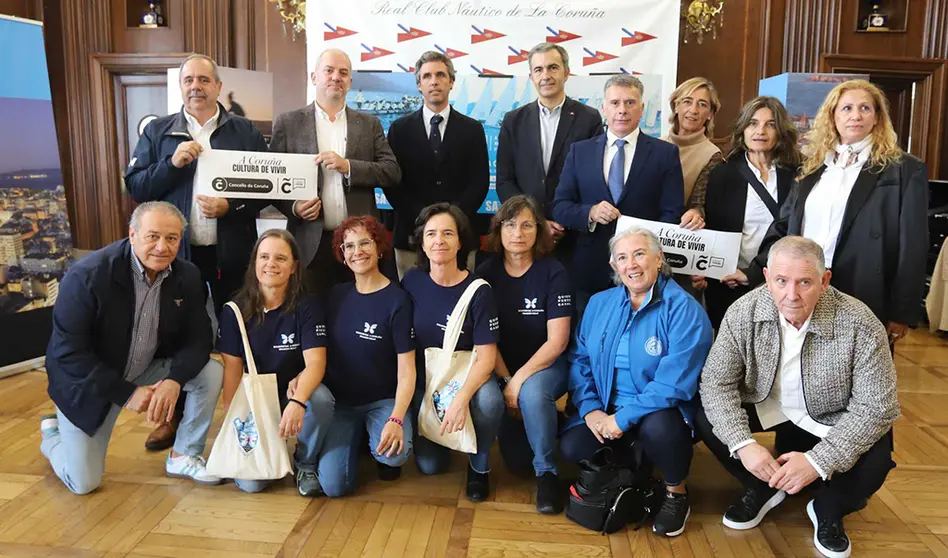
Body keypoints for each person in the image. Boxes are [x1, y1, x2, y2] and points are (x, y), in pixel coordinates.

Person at [696, 236, 899, 558]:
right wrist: (743, 445)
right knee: (703, 414)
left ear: (825, 279)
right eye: (781, 281)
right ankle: (761, 485)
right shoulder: (743, 311)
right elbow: (716, 383)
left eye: (805, 282)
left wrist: (820, 461)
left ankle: (828, 507)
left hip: (830, 413)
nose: (792, 295)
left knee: (877, 459)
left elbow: (877, 407)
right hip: (768, 403)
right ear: (766, 278)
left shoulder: (860, 322)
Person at [125, 53, 268, 451]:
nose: (196, 87)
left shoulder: (244, 132)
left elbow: (265, 191)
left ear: (218, 87)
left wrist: (231, 207)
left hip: (233, 255)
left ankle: (247, 414)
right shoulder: (158, 132)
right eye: (189, 80)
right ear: (180, 86)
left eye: (204, 80)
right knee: (175, 336)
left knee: (243, 332)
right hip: (175, 258)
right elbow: (136, 188)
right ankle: (172, 417)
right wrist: (171, 164)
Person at [41, 201, 223, 494]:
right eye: (153, 236)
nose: (162, 247)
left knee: (211, 372)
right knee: (84, 483)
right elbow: (68, 355)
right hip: (90, 383)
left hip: (146, 367)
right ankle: (52, 435)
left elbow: (200, 338)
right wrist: (126, 393)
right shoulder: (87, 277)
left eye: (172, 238)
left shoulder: (186, 276)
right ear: (132, 234)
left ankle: (183, 455)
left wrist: (175, 379)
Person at [728, 79, 929, 344]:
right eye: (846, 108)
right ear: (832, 115)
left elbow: (912, 246)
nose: (855, 115)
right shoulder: (812, 166)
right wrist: (754, 272)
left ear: (878, 117)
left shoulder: (904, 169)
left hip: (864, 291)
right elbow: (783, 228)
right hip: (802, 288)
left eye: (865, 108)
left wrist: (902, 311)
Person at [560, 226, 713, 537]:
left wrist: (622, 419)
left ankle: (676, 492)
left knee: (659, 430)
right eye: (622, 257)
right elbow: (580, 361)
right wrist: (591, 411)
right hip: (606, 408)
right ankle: (635, 473)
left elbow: (674, 384)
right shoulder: (599, 303)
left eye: (640, 254)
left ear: (659, 259)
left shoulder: (684, 309)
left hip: (659, 411)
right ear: (614, 266)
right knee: (571, 446)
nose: (632, 264)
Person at [270, 48, 402, 296]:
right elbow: (272, 182)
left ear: (350, 81)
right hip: (309, 243)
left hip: (359, 244)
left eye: (343, 72)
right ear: (314, 77)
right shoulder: (288, 123)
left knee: (360, 317)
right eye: (328, 71)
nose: (335, 77)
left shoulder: (369, 123)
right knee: (311, 315)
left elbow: (392, 172)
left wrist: (349, 166)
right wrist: (294, 207)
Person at [217, 229, 335, 496]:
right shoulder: (234, 310)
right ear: (255, 263)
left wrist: (297, 401)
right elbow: (232, 371)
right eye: (264, 257)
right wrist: (234, 420)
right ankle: (271, 446)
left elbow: (316, 363)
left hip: (293, 393)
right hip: (258, 400)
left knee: (322, 399)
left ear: (294, 267)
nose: (271, 264)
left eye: (281, 258)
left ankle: (305, 460)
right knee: (252, 485)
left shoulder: (308, 306)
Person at [552, 75, 684, 312]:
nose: (622, 110)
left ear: (642, 108)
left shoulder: (665, 154)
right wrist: (590, 212)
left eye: (630, 103)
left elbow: (671, 212)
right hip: (589, 272)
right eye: (615, 103)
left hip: (642, 273)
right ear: (604, 108)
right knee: (589, 343)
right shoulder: (579, 152)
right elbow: (560, 207)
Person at [476, 195, 572, 514]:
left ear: (539, 231)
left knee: (531, 394)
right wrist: (505, 380)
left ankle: (547, 475)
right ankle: (548, 422)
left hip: (547, 366)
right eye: (510, 224)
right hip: (500, 366)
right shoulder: (485, 273)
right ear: (498, 230)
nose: (518, 232)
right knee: (517, 464)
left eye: (527, 225)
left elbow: (556, 342)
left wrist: (517, 382)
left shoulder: (553, 271)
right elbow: (487, 340)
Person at [401, 203, 504, 502]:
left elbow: (487, 357)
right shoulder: (412, 281)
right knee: (431, 466)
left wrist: (461, 400)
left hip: (467, 377)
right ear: (422, 242)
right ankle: (447, 438)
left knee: (490, 401)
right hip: (427, 381)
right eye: (431, 234)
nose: (439, 240)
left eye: (448, 233)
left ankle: (479, 463)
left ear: (461, 241)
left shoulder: (479, 290)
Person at [316, 216, 416, 497]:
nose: (356, 251)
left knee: (392, 457)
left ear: (379, 248)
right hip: (342, 404)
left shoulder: (398, 300)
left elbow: (407, 369)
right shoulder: (335, 296)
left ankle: (378, 437)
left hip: (383, 401)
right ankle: (359, 439)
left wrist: (396, 419)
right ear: (342, 255)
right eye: (348, 246)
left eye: (364, 243)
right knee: (334, 487)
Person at [697, 96, 801, 328]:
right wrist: (716, 271)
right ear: (742, 129)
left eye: (770, 124)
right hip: (732, 281)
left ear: (781, 131)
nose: (760, 131)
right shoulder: (722, 175)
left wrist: (754, 273)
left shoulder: (798, 174)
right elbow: (714, 229)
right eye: (753, 123)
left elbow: (795, 229)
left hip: (785, 283)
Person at [385, 51, 489, 278]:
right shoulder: (399, 129)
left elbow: (479, 182)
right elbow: (392, 183)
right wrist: (423, 219)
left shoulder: (472, 129)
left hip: (459, 236)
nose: (434, 81)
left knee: (460, 302)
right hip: (411, 236)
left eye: (441, 75)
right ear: (419, 84)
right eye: (427, 76)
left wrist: (452, 220)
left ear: (451, 82)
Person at [495, 42, 603, 256]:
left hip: (574, 236)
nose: (546, 75)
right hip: (527, 236)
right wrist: (537, 222)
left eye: (553, 67)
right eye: (538, 69)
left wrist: (569, 219)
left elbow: (595, 180)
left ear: (567, 73)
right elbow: (505, 181)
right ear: (531, 77)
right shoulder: (513, 121)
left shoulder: (589, 119)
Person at [662, 77, 724, 230]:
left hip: (681, 232)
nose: (693, 110)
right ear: (676, 106)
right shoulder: (656, 144)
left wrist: (696, 212)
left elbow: (700, 202)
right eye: (687, 101)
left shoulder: (713, 155)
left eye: (702, 104)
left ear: (710, 113)